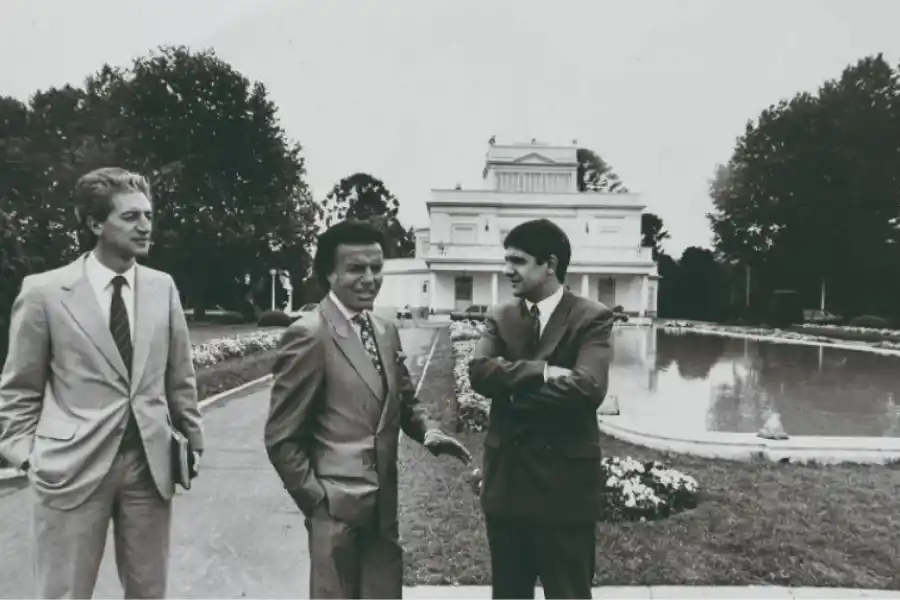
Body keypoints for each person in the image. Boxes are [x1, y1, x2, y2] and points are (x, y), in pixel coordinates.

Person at [0, 167, 204, 598]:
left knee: (149, 592)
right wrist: (27, 457)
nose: (145, 226)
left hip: (148, 466)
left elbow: (180, 376)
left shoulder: (162, 288)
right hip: (70, 467)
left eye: (148, 215)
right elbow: (19, 387)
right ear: (95, 224)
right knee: (64, 592)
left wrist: (192, 440)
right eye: (130, 216)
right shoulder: (45, 292)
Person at [264, 219, 472, 599]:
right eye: (356, 269)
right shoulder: (309, 334)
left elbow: (404, 400)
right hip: (335, 512)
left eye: (376, 268)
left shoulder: (385, 330)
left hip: (383, 511)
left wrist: (428, 429)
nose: (370, 279)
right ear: (329, 273)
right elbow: (281, 436)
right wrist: (317, 502)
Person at [468, 218, 614, 599]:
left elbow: (587, 388)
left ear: (550, 264)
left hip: (564, 492)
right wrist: (543, 372)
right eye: (507, 260)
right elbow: (479, 373)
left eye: (518, 261)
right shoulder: (500, 315)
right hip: (508, 488)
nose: (507, 270)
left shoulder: (592, 317)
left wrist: (510, 390)